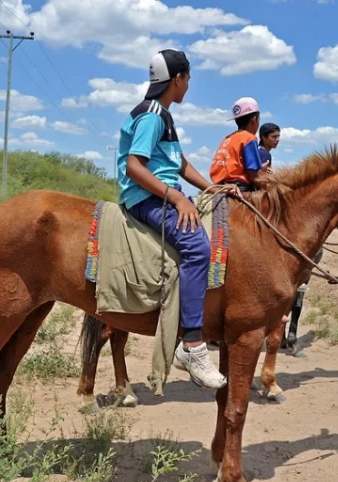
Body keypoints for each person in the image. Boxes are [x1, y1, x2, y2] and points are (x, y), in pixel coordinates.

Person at [117, 49, 241, 389]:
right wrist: (174, 197)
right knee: (198, 248)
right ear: (178, 79)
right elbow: (134, 166)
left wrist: (216, 187)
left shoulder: (164, 115)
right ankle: (192, 345)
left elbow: (180, 164)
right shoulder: (153, 116)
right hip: (146, 198)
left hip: (160, 192)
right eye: (188, 79)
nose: (189, 86)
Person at [208, 97, 270, 192]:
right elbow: (253, 176)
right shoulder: (249, 138)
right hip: (240, 187)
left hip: (219, 186)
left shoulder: (227, 138)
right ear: (254, 119)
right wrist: (270, 187)